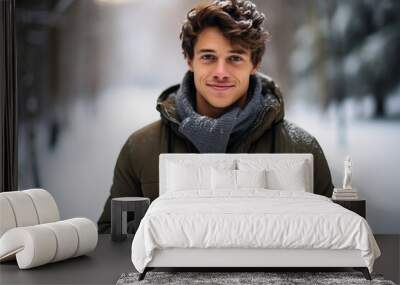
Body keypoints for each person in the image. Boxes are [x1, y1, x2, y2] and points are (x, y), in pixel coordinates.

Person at [98, 0, 334, 233]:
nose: (221, 72)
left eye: (235, 58)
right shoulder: (140, 149)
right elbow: (112, 241)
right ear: (190, 60)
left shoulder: (302, 149)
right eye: (208, 57)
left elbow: (333, 238)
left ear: (255, 64)